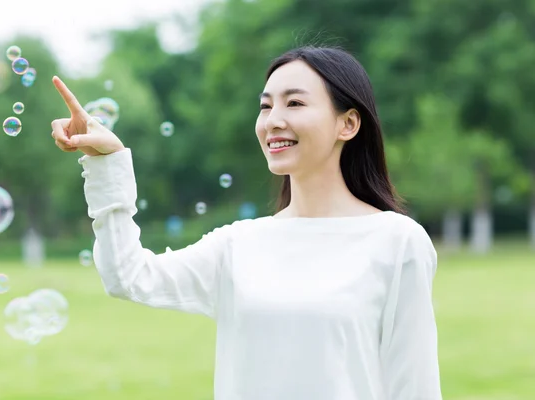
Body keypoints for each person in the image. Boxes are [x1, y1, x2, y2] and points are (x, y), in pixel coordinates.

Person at [50, 45, 442, 400]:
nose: (273, 121)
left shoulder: (397, 241)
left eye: (295, 104)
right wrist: (108, 163)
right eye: (266, 106)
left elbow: (415, 385)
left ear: (348, 124)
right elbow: (127, 275)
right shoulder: (240, 244)